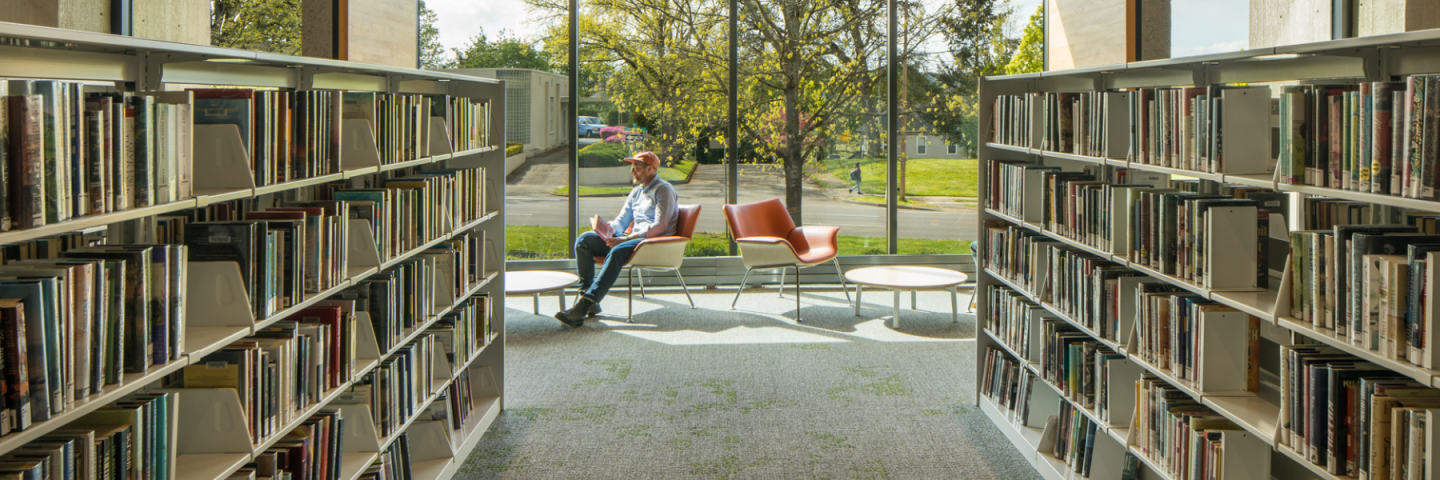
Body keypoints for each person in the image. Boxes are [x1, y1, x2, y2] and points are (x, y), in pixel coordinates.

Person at [555, 151, 679, 326]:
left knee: (617, 251)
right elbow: (621, 221)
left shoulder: (664, 190)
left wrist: (625, 239)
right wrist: (607, 230)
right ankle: (588, 297)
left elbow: (661, 226)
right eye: (632, 167)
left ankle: (584, 306)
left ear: (650, 169)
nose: (632, 171)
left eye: (636, 168)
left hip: (653, 243)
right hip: (632, 239)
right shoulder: (636, 192)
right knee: (584, 241)